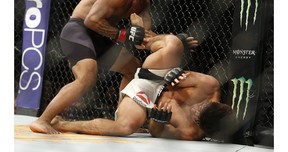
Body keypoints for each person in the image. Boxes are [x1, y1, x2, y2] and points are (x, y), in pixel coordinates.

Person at [30, 0, 199, 134]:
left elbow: (144, 38)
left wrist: (172, 40)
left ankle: (122, 119)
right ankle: (43, 120)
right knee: (87, 76)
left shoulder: (142, 3)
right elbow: (91, 21)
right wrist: (124, 35)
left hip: (102, 36)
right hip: (79, 31)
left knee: (133, 68)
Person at [49, 15, 238, 141]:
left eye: (196, 115)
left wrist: (159, 120)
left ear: (201, 127)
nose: (195, 108)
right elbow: (181, 77)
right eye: (202, 106)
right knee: (175, 44)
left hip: (146, 96)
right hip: (158, 78)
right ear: (213, 103)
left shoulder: (190, 132)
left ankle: (63, 123)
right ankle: (143, 41)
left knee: (124, 127)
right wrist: (175, 75)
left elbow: (157, 131)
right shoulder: (210, 86)